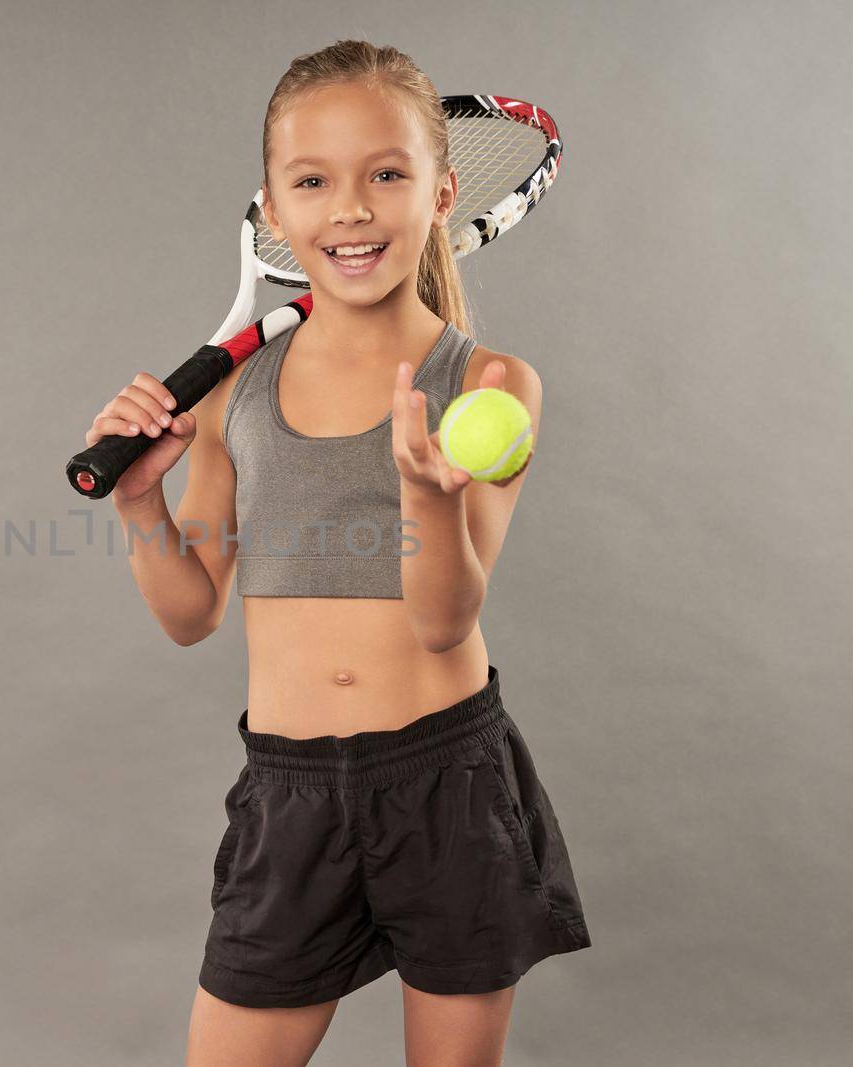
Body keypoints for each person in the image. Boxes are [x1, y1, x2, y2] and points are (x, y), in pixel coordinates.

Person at [80, 39, 591, 1067]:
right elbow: (190, 613)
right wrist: (141, 503)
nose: (349, 209)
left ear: (444, 193)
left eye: (386, 175)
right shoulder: (235, 393)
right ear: (272, 212)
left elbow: (446, 619)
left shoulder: (490, 384)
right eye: (312, 182)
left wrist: (423, 496)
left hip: (447, 782)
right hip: (289, 795)